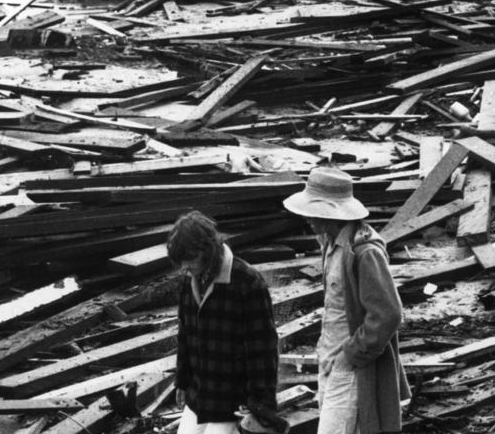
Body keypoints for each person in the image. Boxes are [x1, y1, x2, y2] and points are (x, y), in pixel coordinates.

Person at [282, 168, 409, 434]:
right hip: (329, 358)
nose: (307, 219)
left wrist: (351, 354)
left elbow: (388, 314)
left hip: (349, 365)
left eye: (312, 213)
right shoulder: (329, 243)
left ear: (331, 214)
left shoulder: (364, 253)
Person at [170, 212, 284, 434]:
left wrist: (260, 406)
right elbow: (185, 334)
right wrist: (182, 381)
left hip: (231, 402)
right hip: (198, 397)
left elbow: (263, 351)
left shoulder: (248, 283)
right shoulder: (189, 282)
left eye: (190, 259)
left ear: (208, 250)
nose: (185, 268)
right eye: (181, 262)